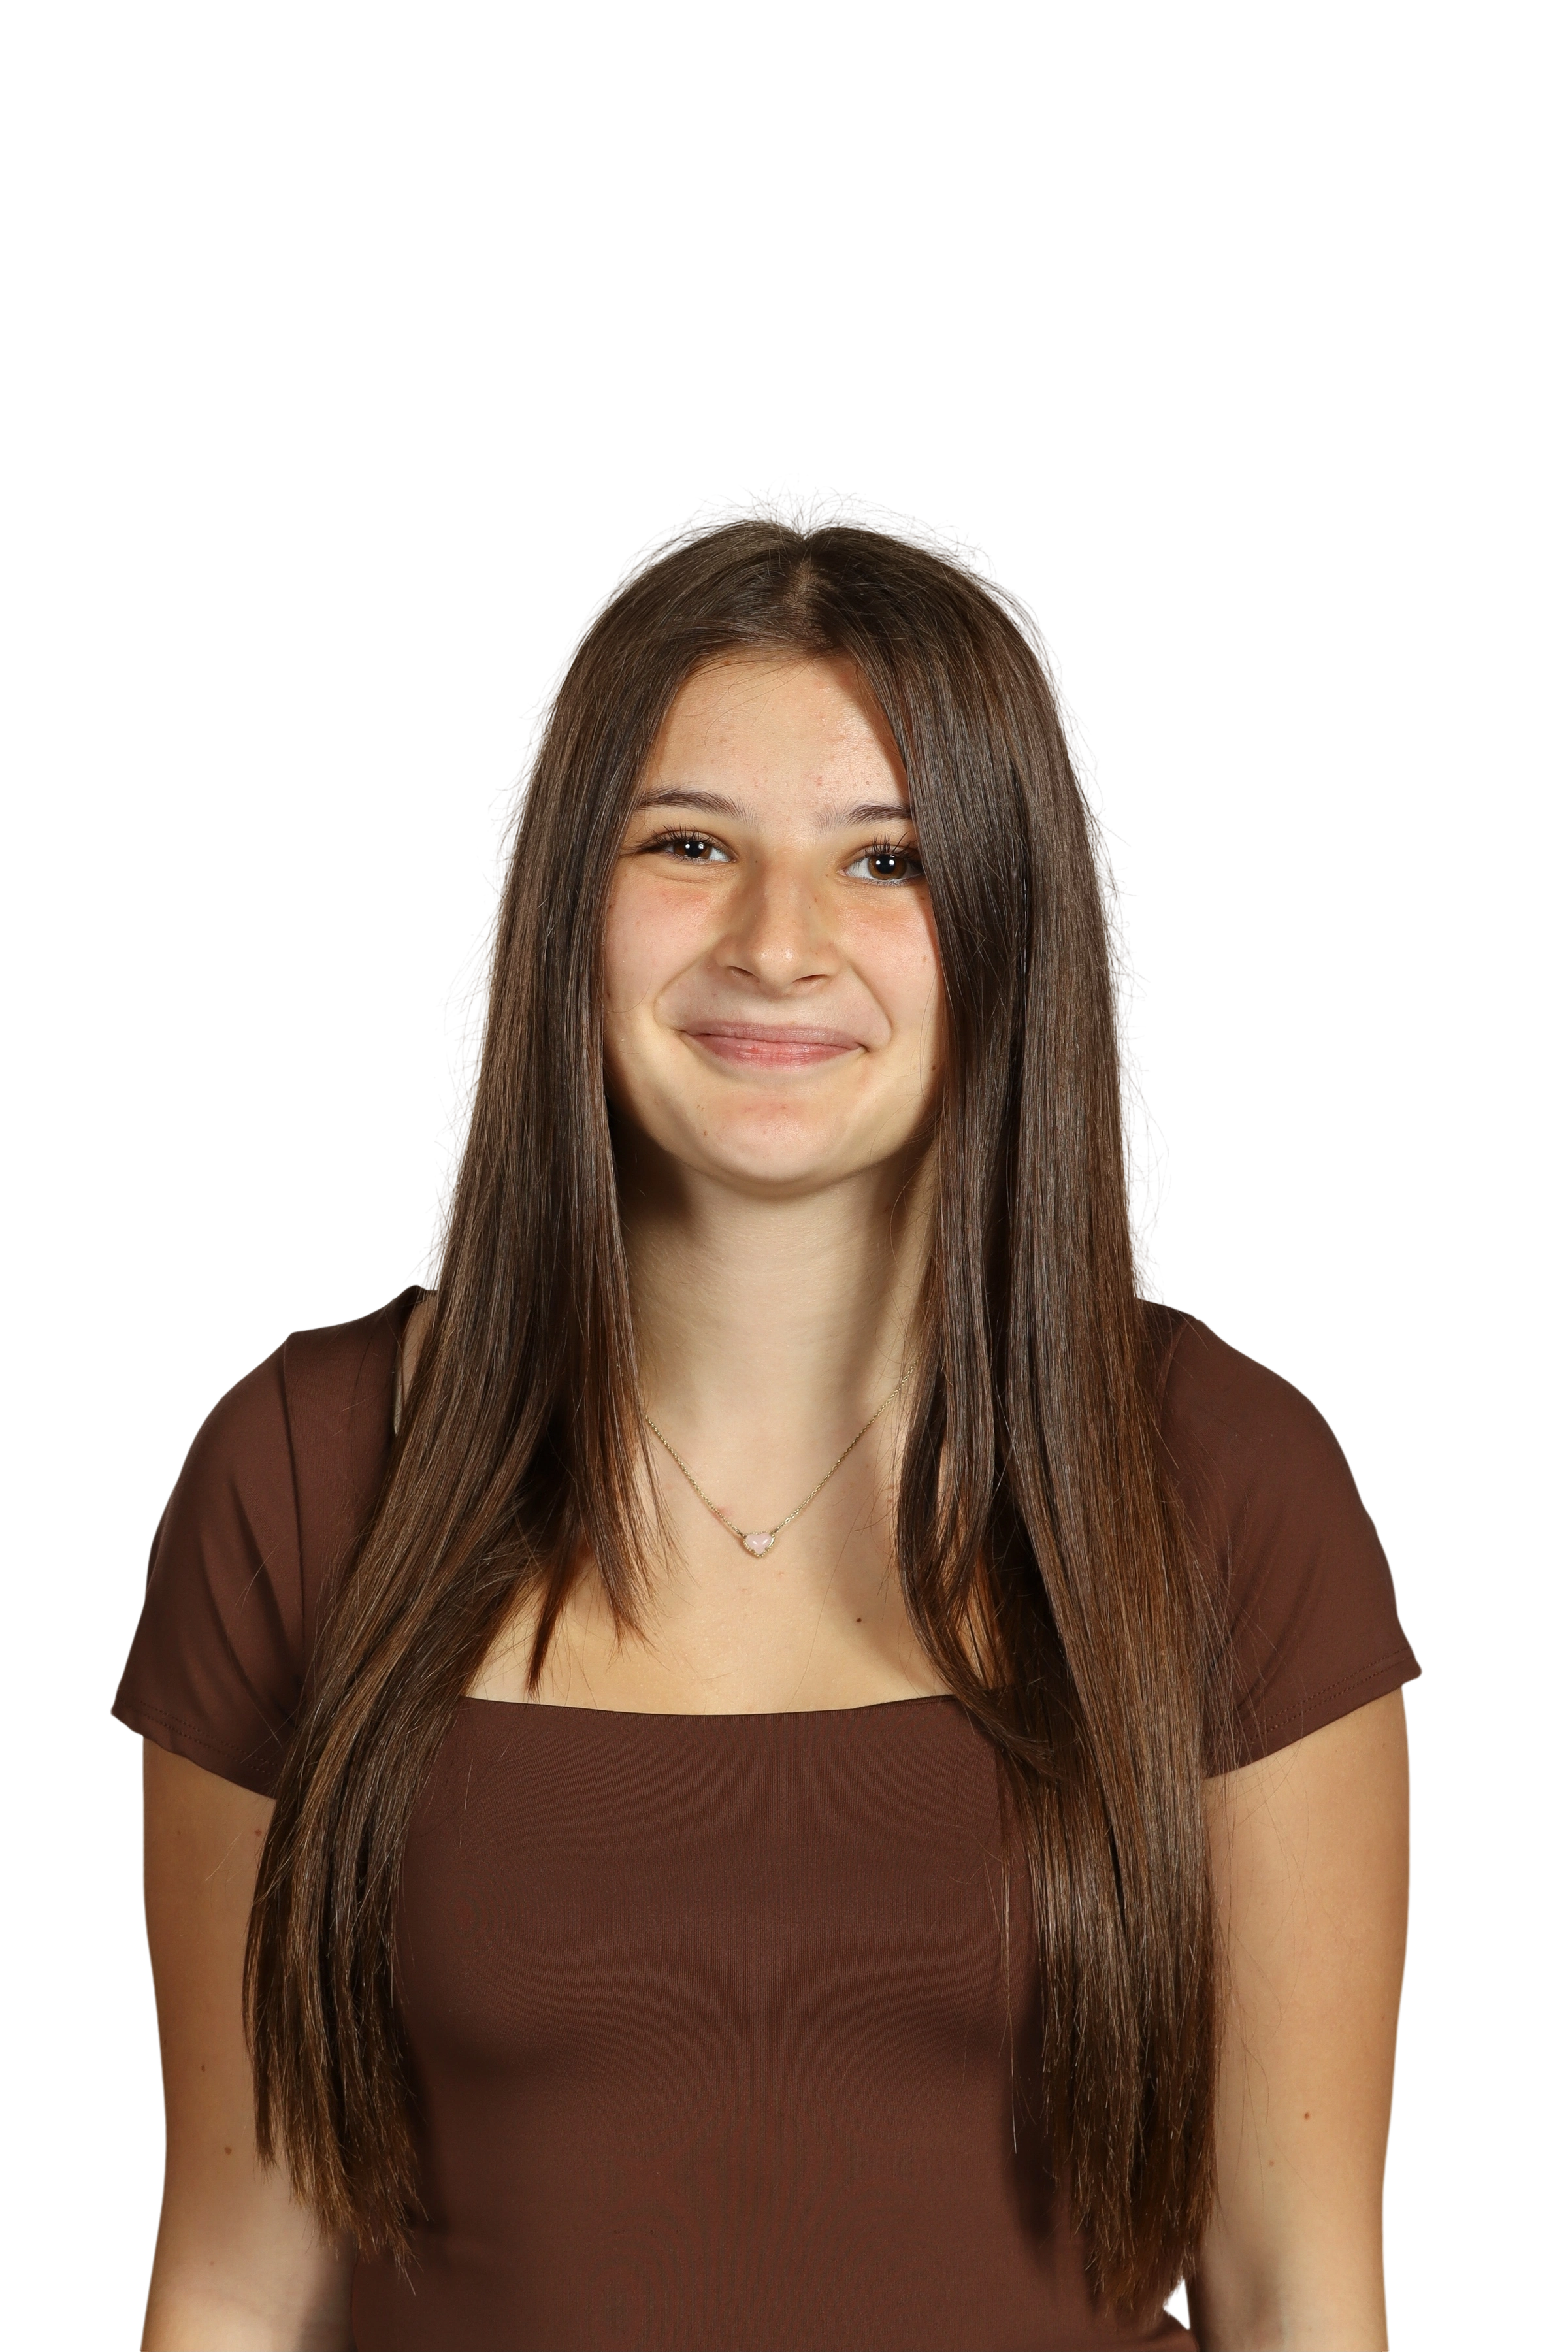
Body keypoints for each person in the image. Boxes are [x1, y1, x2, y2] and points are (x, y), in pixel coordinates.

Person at [110, 474, 1424, 2351]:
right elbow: (239, 2285)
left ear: (1012, 925)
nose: (779, 945)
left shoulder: (1228, 1488)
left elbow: (1299, 2292)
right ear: (565, 907)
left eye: (888, 861)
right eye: (689, 845)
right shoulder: (307, 1474)